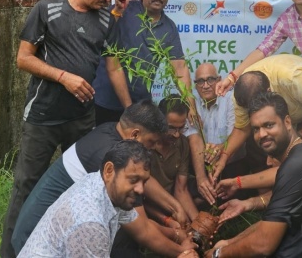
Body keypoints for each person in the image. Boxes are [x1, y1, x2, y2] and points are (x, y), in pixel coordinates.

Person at [2, 0, 127, 257]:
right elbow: (23, 59)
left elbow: (114, 67)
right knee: (26, 186)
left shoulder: (108, 20)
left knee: (84, 185)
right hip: (43, 116)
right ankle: (10, 252)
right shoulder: (47, 10)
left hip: (82, 118)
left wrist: (129, 109)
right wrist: (63, 76)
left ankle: (65, 245)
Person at [12, 100, 188, 255]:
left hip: (51, 231)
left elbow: (136, 208)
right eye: (150, 142)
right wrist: (184, 251)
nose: (153, 149)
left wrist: (174, 209)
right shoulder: (110, 158)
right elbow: (143, 230)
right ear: (134, 135)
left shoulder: (111, 133)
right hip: (40, 239)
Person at [206, 92, 302, 258]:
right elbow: (270, 224)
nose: (261, 134)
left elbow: (263, 244)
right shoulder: (296, 160)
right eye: (256, 129)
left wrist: (218, 254)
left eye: (268, 125)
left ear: (287, 122)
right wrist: (229, 243)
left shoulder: (298, 166)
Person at [19, 140, 186, 258]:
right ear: (109, 170)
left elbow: (144, 227)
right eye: (134, 180)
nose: (141, 189)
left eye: (144, 181)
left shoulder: (104, 186)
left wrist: (178, 237)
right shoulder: (90, 223)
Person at [210, 54, 302, 181]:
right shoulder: (241, 95)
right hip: (290, 113)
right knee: (257, 147)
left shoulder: (290, 77)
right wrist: (224, 157)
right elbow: (242, 129)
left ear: (268, 92)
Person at [94, 0, 192, 125]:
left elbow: (179, 67)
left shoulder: (169, 27)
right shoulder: (125, 8)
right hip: (106, 98)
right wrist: (117, 11)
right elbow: (100, 33)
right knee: (104, 144)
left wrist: (190, 103)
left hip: (140, 103)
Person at [186, 63, 246, 206]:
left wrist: (220, 149)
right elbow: (194, 139)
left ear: (219, 79)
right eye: (200, 81)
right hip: (202, 163)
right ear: (195, 85)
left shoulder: (232, 100)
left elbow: (236, 137)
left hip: (230, 162)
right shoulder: (191, 106)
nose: (205, 85)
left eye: (210, 79)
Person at [145, 96, 199, 225]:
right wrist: (168, 219)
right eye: (171, 128)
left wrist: (197, 222)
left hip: (170, 202)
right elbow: (140, 196)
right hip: (146, 205)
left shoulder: (182, 144)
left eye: (181, 128)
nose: (177, 134)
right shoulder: (144, 145)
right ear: (159, 121)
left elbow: (181, 189)